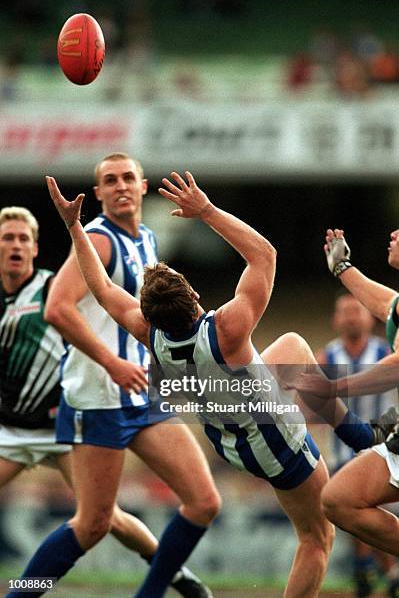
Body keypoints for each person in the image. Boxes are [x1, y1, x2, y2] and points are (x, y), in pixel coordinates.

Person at [45, 171, 396, 598]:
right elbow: (264, 255)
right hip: (271, 436)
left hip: (229, 437)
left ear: (150, 314)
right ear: (193, 295)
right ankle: (360, 435)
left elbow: (101, 289)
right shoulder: (226, 328)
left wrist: (73, 226)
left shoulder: (148, 335)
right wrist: (206, 211)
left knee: (292, 347)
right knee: (317, 537)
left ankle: (359, 435)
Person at [6, 157, 221, 598]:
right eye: (109, 181)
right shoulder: (100, 239)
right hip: (98, 395)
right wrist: (111, 362)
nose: (120, 186)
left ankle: (152, 593)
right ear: (98, 193)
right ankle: (21, 594)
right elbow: (58, 308)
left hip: (140, 391)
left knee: (204, 501)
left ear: (142, 187)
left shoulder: (147, 237)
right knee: (93, 524)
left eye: (127, 178)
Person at [290, 229, 399, 578]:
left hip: (381, 431)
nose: (393, 234)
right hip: (378, 436)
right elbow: (386, 304)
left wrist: (332, 387)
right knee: (339, 499)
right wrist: (342, 268)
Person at [317, 293, 399, 597]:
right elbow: (307, 399)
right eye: (345, 312)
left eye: (357, 310)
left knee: (364, 510)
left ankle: (379, 569)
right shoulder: (326, 357)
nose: (352, 317)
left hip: (386, 446)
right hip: (344, 447)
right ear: (336, 319)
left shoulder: (386, 348)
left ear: (371, 318)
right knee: (349, 507)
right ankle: (374, 570)